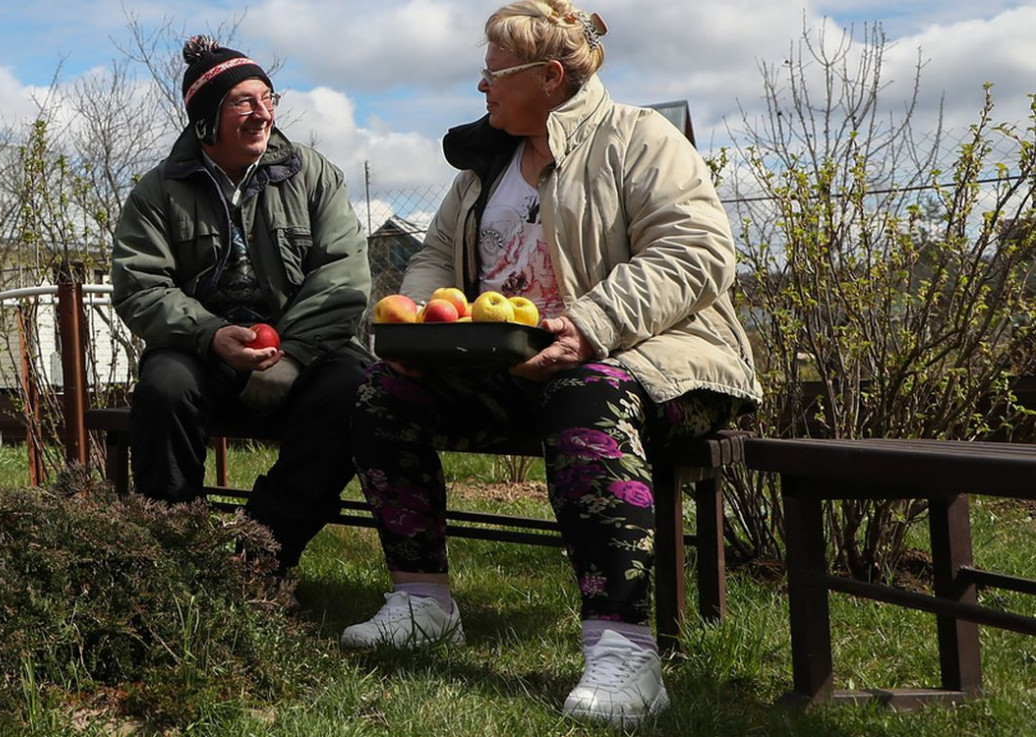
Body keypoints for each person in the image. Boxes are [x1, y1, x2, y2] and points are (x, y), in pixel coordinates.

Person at [341, 0, 762, 728]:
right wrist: (416, 329)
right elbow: (437, 254)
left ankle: (623, 647)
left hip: (663, 361)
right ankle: (422, 601)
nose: (482, 85)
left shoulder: (639, 139)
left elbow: (697, 251)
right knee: (381, 387)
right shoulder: (485, 165)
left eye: (494, 72)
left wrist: (593, 324)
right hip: (514, 361)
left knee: (584, 390)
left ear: (551, 76)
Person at [111, 36, 372, 571]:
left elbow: (344, 275)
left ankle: (257, 559)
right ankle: (176, 559)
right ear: (206, 119)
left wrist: (295, 353)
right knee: (163, 388)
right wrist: (209, 334)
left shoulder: (314, 174)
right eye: (243, 102)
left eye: (268, 98)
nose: (262, 114)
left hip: (303, 349)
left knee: (356, 390)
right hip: (203, 349)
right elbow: (141, 286)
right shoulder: (158, 192)